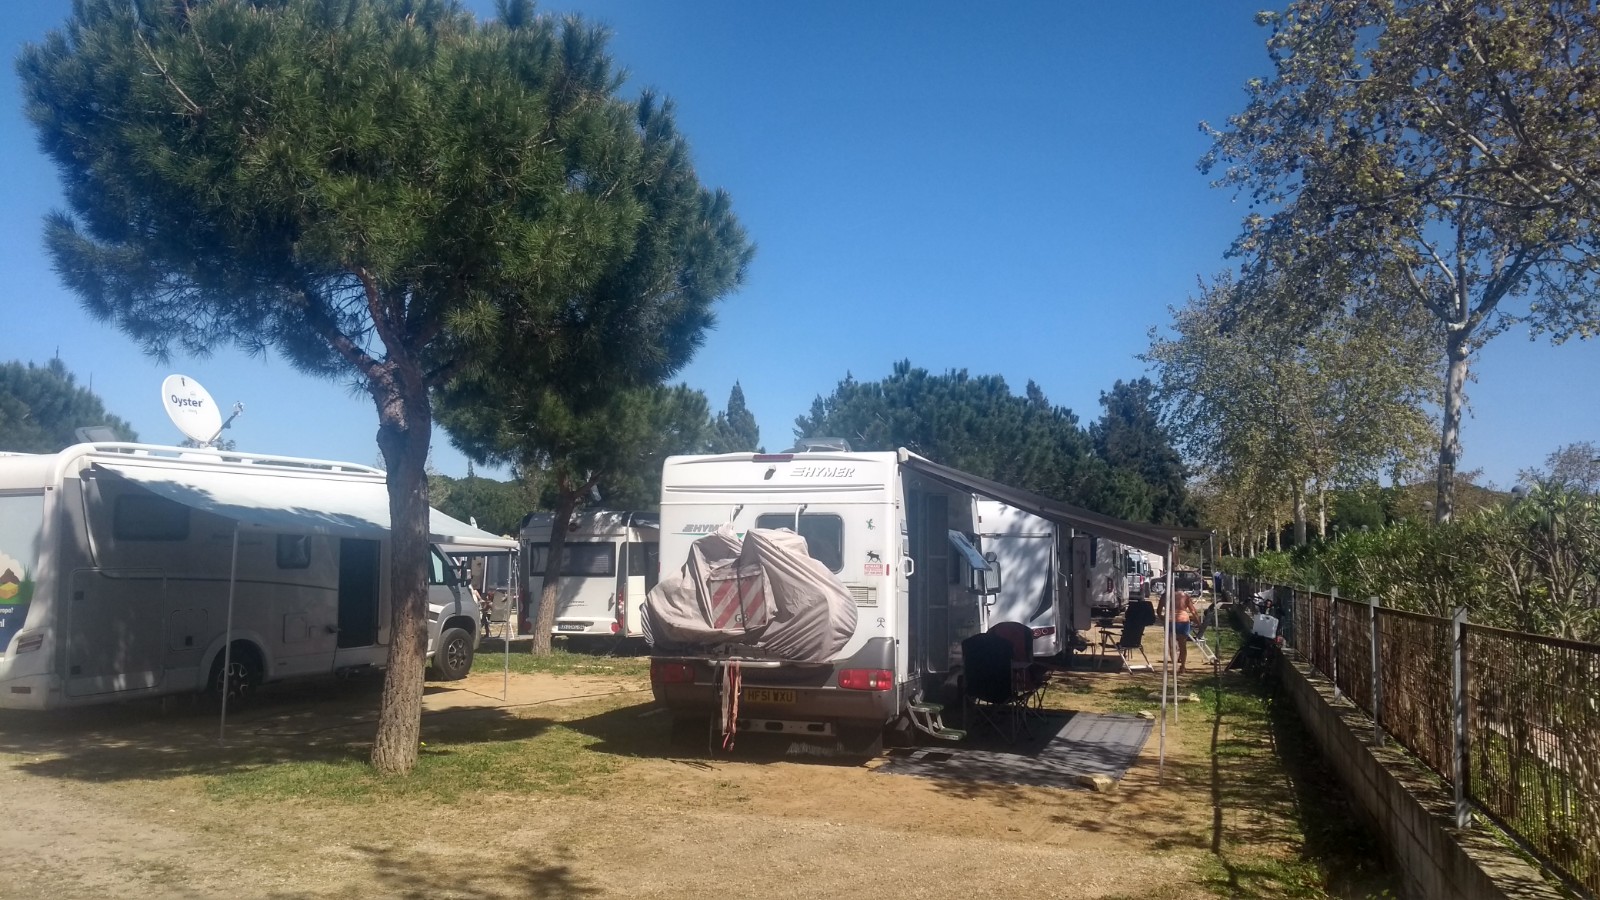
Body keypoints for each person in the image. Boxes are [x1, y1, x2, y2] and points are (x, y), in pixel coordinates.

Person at [1172, 590, 1199, 673]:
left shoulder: (1166, 596)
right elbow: (1193, 611)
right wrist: (1198, 622)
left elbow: (1159, 611)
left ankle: (1174, 665)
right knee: (1182, 644)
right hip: (1183, 620)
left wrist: (1163, 618)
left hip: (1170, 619)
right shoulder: (1185, 596)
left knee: (1171, 644)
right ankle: (1182, 666)